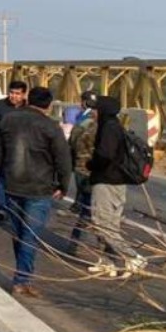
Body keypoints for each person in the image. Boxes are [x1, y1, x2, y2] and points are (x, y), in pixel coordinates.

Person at [0, 87, 72, 298]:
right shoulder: (50, 126)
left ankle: (21, 274)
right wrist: (63, 185)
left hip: (13, 185)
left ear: (28, 99)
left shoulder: (8, 120)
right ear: (48, 105)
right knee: (30, 235)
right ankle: (22, 279)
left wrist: (3, 173)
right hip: (39, 188)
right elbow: (63, 159)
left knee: (19, 232)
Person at [87, 96, 148, 275]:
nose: (92, 112)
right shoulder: (114, 126)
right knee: (108, 225)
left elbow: (104, 156)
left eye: (95, 108)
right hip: (114, 182)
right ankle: (107, 262)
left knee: (102, 224)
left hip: (107, 182)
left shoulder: (109, 128)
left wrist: (91, 164)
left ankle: (134, 257)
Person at [0, 80, 28, 221]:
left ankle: (14, 207)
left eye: (17, 93)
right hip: (0, 149)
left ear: (24, 94)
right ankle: (1, 207)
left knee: (19, 179)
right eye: (11, 93)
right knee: (1, 177)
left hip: (22, 151)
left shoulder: (28, 109)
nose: (13, 96)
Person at [66, 91, 98, 249]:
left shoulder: (84, 122)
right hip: (99, 171)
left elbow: (73, 141)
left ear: (84, 103)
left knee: (88, 208)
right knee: (94, 209)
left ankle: (76, 242)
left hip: (83, 167)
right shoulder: (108, 122)